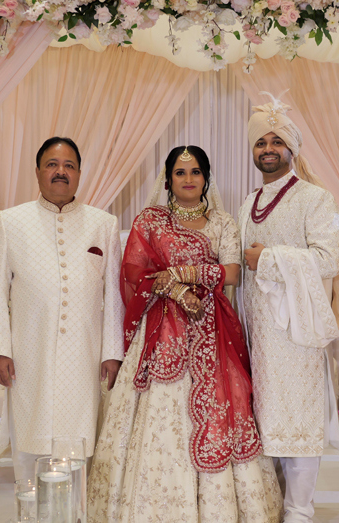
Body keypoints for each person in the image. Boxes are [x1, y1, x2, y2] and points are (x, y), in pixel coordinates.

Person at [88, 146, 282, 522]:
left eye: (195, 171)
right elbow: (133, 274)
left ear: (206, 177)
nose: (189, 179)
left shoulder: (223, 222)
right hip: (161, 331)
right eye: (180, 172)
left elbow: (233, 273)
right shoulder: (150, 221)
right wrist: (175, 290)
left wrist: (182, 275)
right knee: (159, 415)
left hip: (213, 327)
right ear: (168, 179)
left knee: (223, 406)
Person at [0, 136, 125, 480]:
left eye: (69, 166)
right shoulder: (10, 222)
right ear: (37, 172)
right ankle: (32, 511)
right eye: (52, 164)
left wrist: (112, 352)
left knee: (80, 439)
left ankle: (75, 512)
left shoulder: (103, 224)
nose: (60, 172)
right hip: (29, 351)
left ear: (79, 174)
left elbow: (116, 296)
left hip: (85, 353)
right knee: (30, 434)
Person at [238, 94, 339, 523]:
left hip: (296, 336)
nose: (268, 149)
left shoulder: (315, 199)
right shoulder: (248, 203)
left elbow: (328, 260)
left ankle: (300, 513)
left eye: (276, 141)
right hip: (257, 337)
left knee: (297, 426)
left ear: (292, 149)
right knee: (268, 427)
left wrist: (268, 258)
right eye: (261, 142)